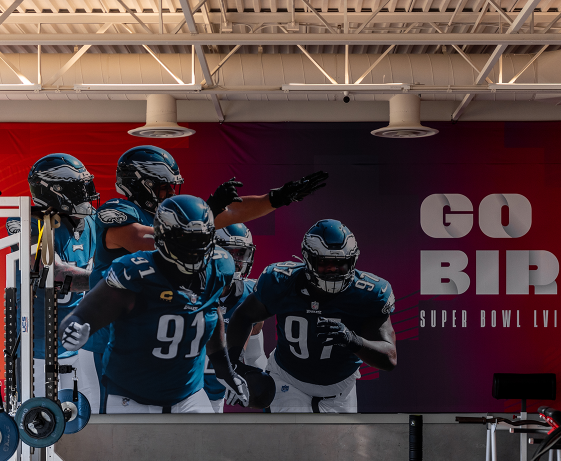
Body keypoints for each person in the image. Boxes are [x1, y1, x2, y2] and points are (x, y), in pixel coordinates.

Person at [75, 144, 328, 406]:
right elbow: (144, 239)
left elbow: (234, 212)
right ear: (139, 184)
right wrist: (208, 210)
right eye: (165, 186)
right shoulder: (116, 211)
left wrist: (278, 197)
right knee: (105, 421)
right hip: (106, 340)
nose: (172, 191)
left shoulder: (173, 214)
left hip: (149, 339)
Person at [58, 196, 247, 414]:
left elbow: (210, 313)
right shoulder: (135, 273)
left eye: (200, 239)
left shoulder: (218, 266)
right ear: (163, 237)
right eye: (186, 239)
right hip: (133, 397)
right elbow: (86, 313)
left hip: (189, 395)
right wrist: (73, 327)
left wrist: (225, 369)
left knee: (207, 447)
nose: (194, 248)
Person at [226, 219, 397, 413]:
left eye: (340, 263)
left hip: (341, 389)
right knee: (291, 441)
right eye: (325, 262)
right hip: (288, 380)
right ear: (308, 259)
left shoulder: (369, 293)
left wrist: (352, 340)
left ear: (353, 261)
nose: (333, 269)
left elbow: (389, 358)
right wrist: (233, 364)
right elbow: (243, 316)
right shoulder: (282, 282)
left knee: (339, 444)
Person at [17, 153, 101, 413]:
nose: (87, 196)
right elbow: (52, 271)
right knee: (41, 427)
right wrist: (108, 282)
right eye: (80, 190)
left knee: (89, 421)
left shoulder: (92, 220)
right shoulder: (31, 222)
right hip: (40, 349)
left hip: (81, 345)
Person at [202, 224, 267, 412]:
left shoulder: (251, 295)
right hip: (182, 389)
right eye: (229, 252)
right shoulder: (190, 290)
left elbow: (255, 355)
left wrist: (248, 377)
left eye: (241, 253)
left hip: (215, 396)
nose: (236, 260)